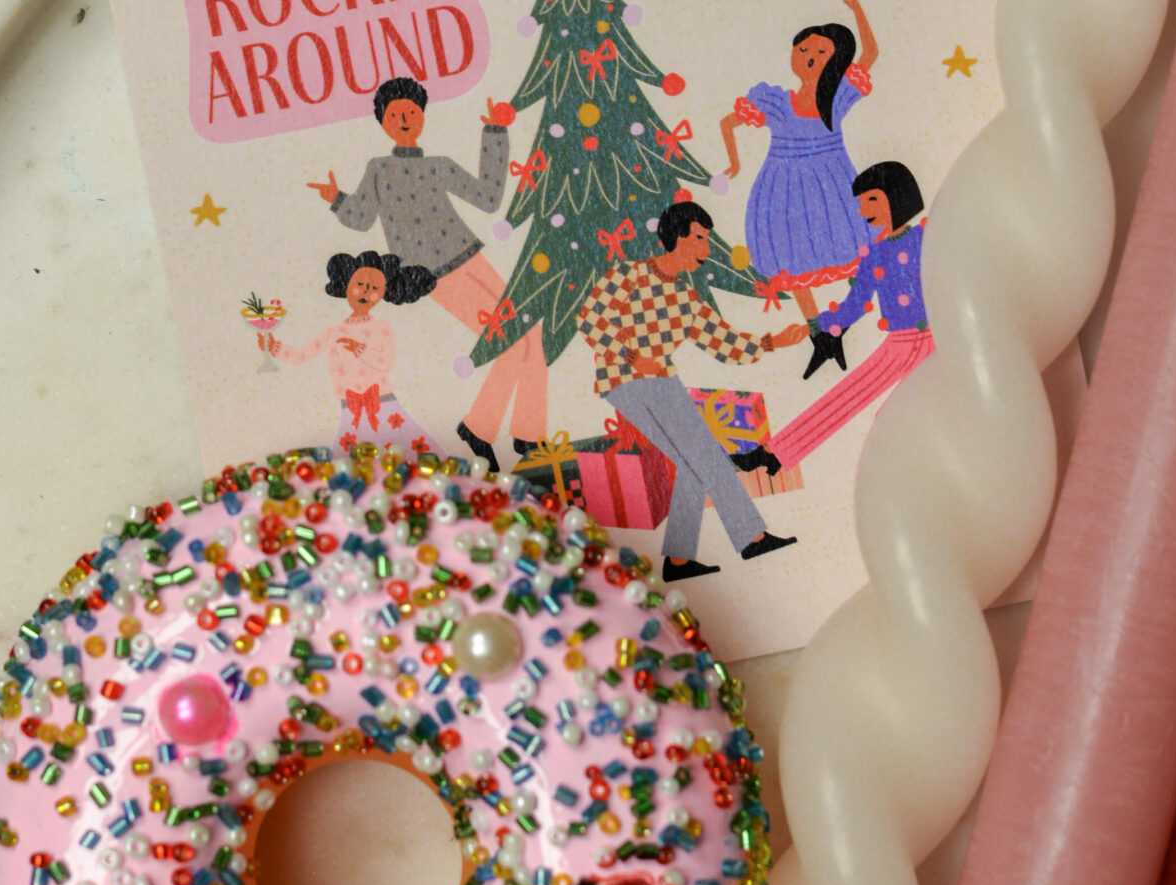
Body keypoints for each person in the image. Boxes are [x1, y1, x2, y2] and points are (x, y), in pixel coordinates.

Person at [308, 76, 547, 465]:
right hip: (433, 274)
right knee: (511, 341)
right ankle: (492, 430)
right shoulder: (379, 169)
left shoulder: (438, 165)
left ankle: (520, 434)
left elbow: (487, 197)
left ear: (421, 116)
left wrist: (495, 133)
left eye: (410, 112)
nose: (404, 119)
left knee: (529, 333)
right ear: (383, 123)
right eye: (395, 114)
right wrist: (336, 197)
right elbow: (361, 219)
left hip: (469, 257)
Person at [575, 198, 808, 583]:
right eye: (700, 238)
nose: (706, 248)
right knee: (705, 454)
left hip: (660, 381)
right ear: (679, 238)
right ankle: (751, 537)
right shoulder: (629, 274)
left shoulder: (686, 299)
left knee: (693, 463)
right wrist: (632, 357)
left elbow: (725, 344)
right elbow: (589, 321)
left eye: (707, 239)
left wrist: (772, 342)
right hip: (624, 378)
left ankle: (680, 560)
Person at [732, 162, 933, 478]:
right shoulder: (875, 253)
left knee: (891, 417)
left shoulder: (925, 237)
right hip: (899, 344)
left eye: (872, 200)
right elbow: (855, 304)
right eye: (862, 202)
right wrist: (816, 326)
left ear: (896, 196)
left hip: (936, 343)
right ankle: (774, 454)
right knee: (844, 397)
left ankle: (905, 474)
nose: (863, 210)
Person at [718, 0, 880, 366]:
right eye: (803, 49)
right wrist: (734, 163)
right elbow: (727, 122)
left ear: (835, 60)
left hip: (833, 184)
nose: (809, 55)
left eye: (821, 51)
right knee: (793, 256)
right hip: (785, 189)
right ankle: (818, 334)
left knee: (854, 244)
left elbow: (871, 54)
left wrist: (858, 11)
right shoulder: (776, 102)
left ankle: (846, 320)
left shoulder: (836, 99)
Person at [261, 250, 433, 454]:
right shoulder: (334, 331)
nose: (366, 293)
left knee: (405, 453)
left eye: (375, 288)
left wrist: (359, 349)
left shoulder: (381, 327)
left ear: (383, 293)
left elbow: (384, 361)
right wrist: (274, 348)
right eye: (360, 284)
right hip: (350, 409)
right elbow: (302, 356)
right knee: (345, 459)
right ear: (346, 285)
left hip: (384, 404)